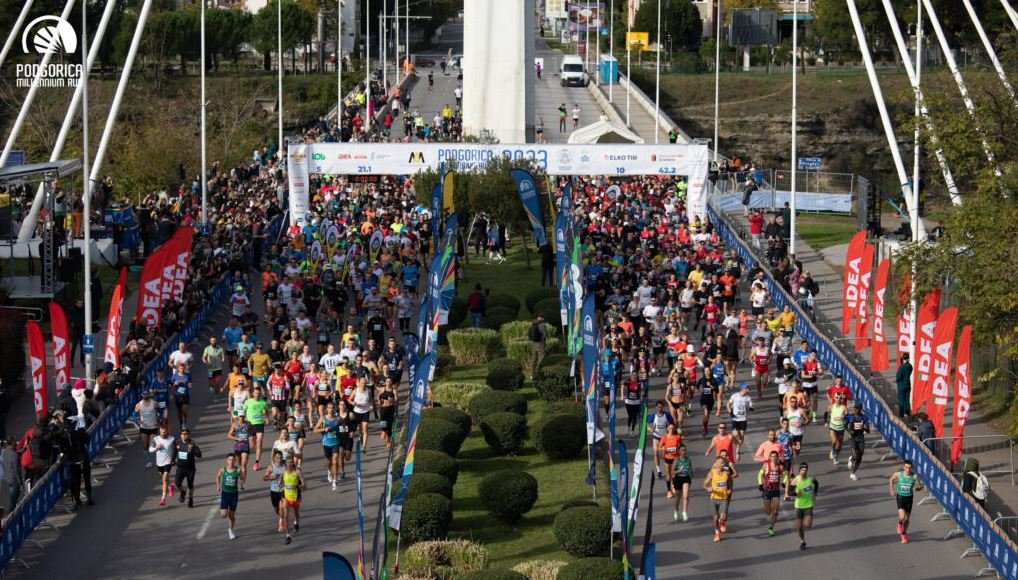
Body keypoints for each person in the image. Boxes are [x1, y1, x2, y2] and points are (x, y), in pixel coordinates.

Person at [889, 459, 922, 543]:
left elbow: (920, 486)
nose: (908, 470)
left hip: (909, 499)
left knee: (907, 519)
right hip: (900, 497)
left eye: (910, 468)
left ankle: (903, 534)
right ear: (904, 467)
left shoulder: (914, 476)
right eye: (906, 467)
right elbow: (891, 479)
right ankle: (899, 523)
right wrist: (891, 490)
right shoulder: (899, 474)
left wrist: (917, 488)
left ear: (912, 468)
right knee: (902, 516)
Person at [704, 455, 735, 542]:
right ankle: (717, 533)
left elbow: (730, 481)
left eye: (723, 463)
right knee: (715, 518)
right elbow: (704, 483)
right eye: (721, 463)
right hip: (714, 498)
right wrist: (707, 488)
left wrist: (730, 489)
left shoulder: (726, 473)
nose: (723, 464)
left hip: (724, 498)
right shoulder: (712, 473)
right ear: (716, 463)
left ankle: (722, 522)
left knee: (723, 517)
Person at [758, 450, 788, 536]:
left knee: (775, 512)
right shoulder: (766, 465)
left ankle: (771, 528)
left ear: (777, 458)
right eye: (772, 456)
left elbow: (786, 475)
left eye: (775, 456)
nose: (774, 458)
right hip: (767, 491)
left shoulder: (780, 467)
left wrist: (783, 482)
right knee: (768, 512)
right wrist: (760, 484)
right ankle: (771, 509)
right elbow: (760, 474)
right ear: (770, 458)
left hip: (776, 492)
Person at [790, 462, 818, 549]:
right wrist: (795, 494)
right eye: (802, 470)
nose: (804, 471)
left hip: (808, 504)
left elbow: (816, 484)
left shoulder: (811, 478)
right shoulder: (796, 480)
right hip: (799, 506)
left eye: (805, 470)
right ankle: (802, 541)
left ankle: (804, 522)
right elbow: (790, 491)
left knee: (808, 525)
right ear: (799, 471)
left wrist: (815, 494)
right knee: (799, 527)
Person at [280, 455, 306, 545]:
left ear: (293, 463)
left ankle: (296, 522)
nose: (289, 464)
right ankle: (288, 536)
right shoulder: (284, 472)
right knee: (285, 516)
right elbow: (280, 482)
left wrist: (297, 486)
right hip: (286, 497)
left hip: (295, 496)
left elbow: (304, 485)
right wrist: (278, 486)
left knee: (296, 513)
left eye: (291, 462)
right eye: (287, 462)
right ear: (285, 463)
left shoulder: (297, 472)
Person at [173, 428, 202, 507]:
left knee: (190, 485)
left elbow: (199, 455)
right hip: (180, 468)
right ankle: (182, 492)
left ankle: (191, 499)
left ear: (188, 435)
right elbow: (174, 452)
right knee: (177, 483)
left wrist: (192, 450)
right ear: (180, 435)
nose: (184, 436)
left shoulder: (193, 443)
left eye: (186, 434)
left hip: (190, 469)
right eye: (182, 434)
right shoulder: (177, 443)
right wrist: (172, 460)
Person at [242, 386, 269, 471]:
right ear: (253, 393)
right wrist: (243, 420)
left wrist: (267, 418)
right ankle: (244, 453)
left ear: (260, 394)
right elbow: (243, 411)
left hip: (259, 423)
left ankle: (257, 462)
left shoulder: (263, 403)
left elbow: (266, 411)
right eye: (256, 393)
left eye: (258, 393)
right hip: (250, 424)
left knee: (259, 440)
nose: (257, 395)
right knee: (252, 445)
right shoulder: (248, 402)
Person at [216, 453, 241, 540]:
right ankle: (224, 510)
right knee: (224, 514)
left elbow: (242, 478)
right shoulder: (223, 470)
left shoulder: (237, 470)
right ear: (227, 460)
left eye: (233, 459)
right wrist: (218, 486)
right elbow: (218, 476)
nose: (231, 461)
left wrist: (241, 484)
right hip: (225, 494)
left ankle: (230, 530)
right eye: (229, 459)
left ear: (235, 461)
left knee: (231, 515)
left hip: (234, 494)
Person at [149, 424, 175, 506]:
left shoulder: (172, 439)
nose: (163, 433)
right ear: (160, 431)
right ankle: (170, 487)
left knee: (164, 479)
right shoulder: (155, 439)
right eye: (162, 432)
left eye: (165, 432)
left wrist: (174, 459)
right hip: (159, 463)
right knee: (165, 479)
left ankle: (163, 498)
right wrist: (156, 448)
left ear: (167, 431)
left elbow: (175, 449)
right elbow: (150, 450)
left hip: (168, 461)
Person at [647, 401, 675, 479]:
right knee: (656, 453)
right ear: (656, 407)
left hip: (664, 437)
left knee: (663, 455)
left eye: (661, 407)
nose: (660, 408)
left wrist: (670, 429)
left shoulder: (667, 415)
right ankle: (658, 471)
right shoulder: (653, 416)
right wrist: (650, 429)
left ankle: (669, 468)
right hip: (656, 436)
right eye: (659, 407)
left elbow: (672, 423)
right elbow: (646, 424)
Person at [727, 385, 753, 460]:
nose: (748, 389)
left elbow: (750, 406)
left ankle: (738, 449)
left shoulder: (748, 398)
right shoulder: (735, 396)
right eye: (747, 388)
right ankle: (729, 444)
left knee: (741, 435)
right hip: (735, 419)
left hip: (743, 419)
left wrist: (751, 408)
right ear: (743, 389)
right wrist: (730, 412)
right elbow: (728, 404)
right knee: (735, 434)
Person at [845, 402, 870, 481]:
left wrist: (864, 427)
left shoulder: (864, 418)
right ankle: (852, 459)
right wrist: (849, 431)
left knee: (860, 456)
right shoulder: (850, 417)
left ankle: (853, 473)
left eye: (858, 409)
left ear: (861, 409)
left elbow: (868, 430)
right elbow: (845, 426)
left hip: (860, 438)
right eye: (855, 408)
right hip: (853, 438)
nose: (856, 410)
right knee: (855, 455)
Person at [135, 390, 160, 468]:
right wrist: (138, 420)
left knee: (151, 445)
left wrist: (159, 419)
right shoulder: (139, 405)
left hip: (153, 427)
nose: (146, 396)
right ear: (142, 395)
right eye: (144, 394)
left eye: (147, 394)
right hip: (144, 427)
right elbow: (135, 414)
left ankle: (153, 460)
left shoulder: (154, 403)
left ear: (149, 395)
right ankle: (148, 461)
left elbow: (161, 411)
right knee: (145, 445)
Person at [263, 450, 286, 532]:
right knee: (276, 509)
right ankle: (282, 517)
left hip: (283, 489)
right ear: (274, 458)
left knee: (282, 507)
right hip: (274, 491)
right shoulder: (271, 467)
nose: (279, 459)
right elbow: (264, 478)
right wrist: (270, 477)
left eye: (280, 458)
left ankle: (281, 522)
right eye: (277, 458)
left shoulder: (285, 466)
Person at [658, 423, 683, 499]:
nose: (671, 430)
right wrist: (664, 449)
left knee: (674, 474)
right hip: (667, 458)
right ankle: (669, 491)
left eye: (673, 428)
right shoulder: (664, 437)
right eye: (670, 428)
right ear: (667, 429)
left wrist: (679, 450)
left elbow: (681, 444)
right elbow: (659, 448)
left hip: (675, 458)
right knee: (668, 474)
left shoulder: (677, 437)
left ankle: (673, 485)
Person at [672, 444, 692, 522]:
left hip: (686, 478)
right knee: (678, 497)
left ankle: (684, 512)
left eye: (685, 450)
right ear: (679, 451)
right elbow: (672, 472)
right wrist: (679, 471)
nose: (684, 452)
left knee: (686, 496)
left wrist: (691, 472)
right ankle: (676, 511)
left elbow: (691, 468)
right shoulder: (676, 460)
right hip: (678, 478)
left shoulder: (688, 459)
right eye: (682, 450)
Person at [827, 393, 848, 465]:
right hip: (833, 427)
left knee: (839, 445)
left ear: (842, 399)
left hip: (841, 428)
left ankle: (836, 456)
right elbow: (826, 413)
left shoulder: (844, 407)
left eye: (840, 398)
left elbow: (847, 417)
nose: (838, 399)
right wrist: (825, 422)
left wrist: (844, 416)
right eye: (837, 397)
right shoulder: (831, 407)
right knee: (834, 441)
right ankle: (833, 450)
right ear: (834, 398)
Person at [170, 362, 192, 430]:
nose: (181, 369)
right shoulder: (175, 376)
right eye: (180, 368)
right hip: (178, 396)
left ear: (184, 368)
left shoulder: (187, 375)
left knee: (185, 410)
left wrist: (190, 385)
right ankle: (181, 422)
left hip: (185, 395)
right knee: (179, 412)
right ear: (178, 369)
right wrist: (174, 384)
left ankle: (184, 423)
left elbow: (190, 382)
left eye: (183, 368)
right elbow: (170, 385)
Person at [896, 353, 913, 418]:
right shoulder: (910, 366)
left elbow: (898, 377)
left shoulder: (902, 367)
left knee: (901, 400)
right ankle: (907, 412)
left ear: (903, 359)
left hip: (901, 385)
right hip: (908, 384)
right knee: (907, 400)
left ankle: (901, 414)